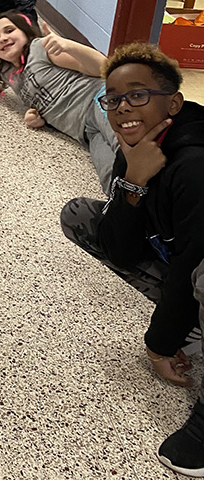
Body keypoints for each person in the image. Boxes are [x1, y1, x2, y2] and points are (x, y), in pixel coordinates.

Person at [57, 44, 204, 476]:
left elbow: (190, 263)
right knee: (81, 217)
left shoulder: (195, 164)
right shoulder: (140, 145)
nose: (123, 107)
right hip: (187, 266)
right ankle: (193, 323)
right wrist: (134, 180)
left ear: (173, 102)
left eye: (137, 95)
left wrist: (159, 344)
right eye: (114, 98)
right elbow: (119, 249)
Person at [0, 11, 117, 192]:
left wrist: (69, 46)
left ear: (25, 32)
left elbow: (102, 68)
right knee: (111, 176)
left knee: (125, 146)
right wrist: (35, 115)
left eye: (9, 30)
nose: (3, 38)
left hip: (97, 101)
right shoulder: (10, 75)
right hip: (85, 132)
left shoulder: (40, 48)